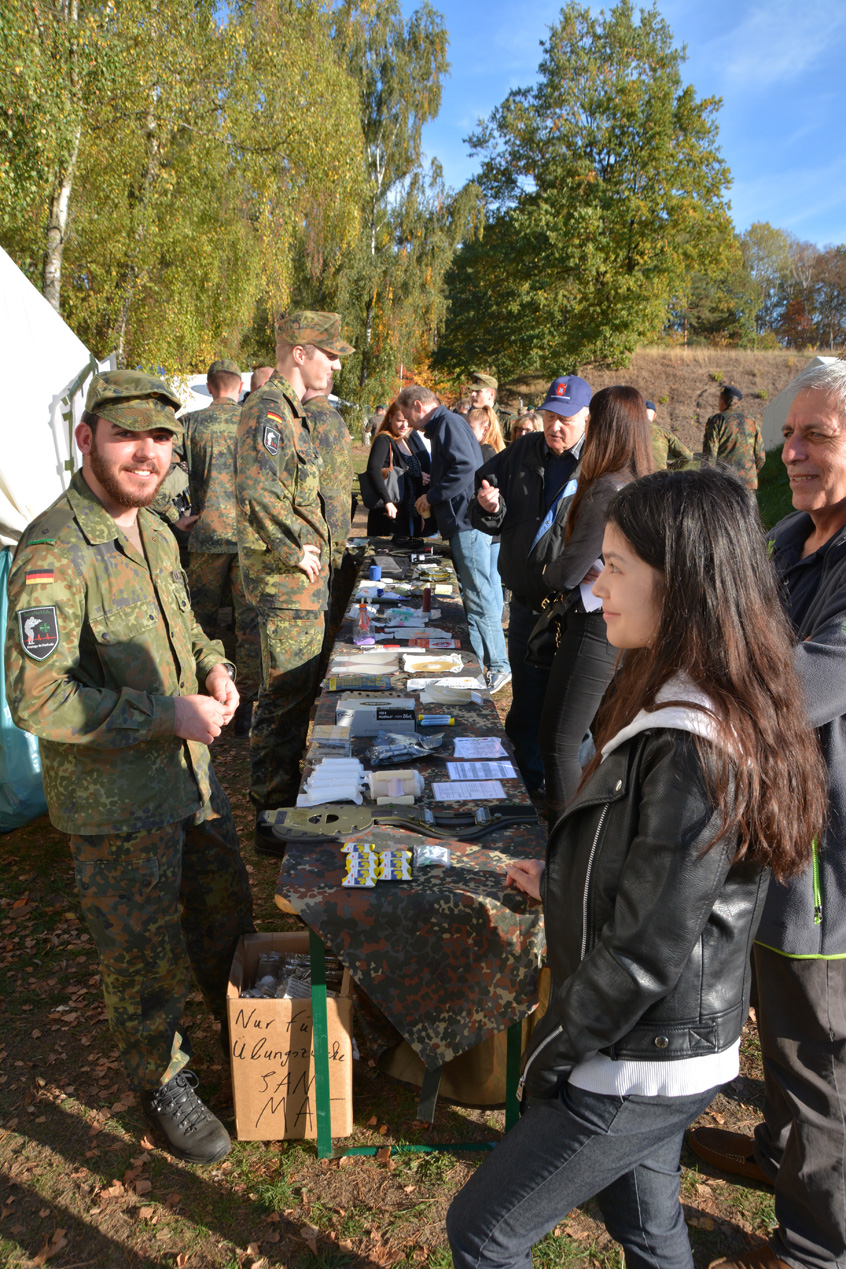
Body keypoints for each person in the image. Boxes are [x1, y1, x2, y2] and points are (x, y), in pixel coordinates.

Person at [446, 465, 826, 1269]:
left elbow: (648, 947)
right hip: (660, 1047)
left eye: (615, 565)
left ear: (679, 581)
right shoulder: (685, 691)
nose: (596, 580)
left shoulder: (695, 738)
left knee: (484, 1230)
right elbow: (647, 874)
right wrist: (556, 879)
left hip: (639, 1055)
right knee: (649, 1228)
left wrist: (552, 1050)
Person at [4, 370, 255, 1164]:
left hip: (191, 781)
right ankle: (162, 1078)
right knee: (141, 956)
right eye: (126, 436)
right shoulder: (54, 550)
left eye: (160, 438)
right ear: (86, 440)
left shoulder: (153, 530)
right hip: (117, 808)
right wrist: (165, 714)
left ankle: (248, 1040)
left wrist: (213, 668)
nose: (146, 453)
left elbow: (184, 630)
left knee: (226, 919)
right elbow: (38, 698)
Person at [691, 359, 846, 1269]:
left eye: (818, 436)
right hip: (773, 843)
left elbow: (790, 685)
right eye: (791, 433)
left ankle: (815, 1250)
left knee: (820, 1064)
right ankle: (782, 1155)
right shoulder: (791, 537)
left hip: (826, 874)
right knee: (787, 1045)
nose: (793, 451)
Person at [235, 311, 353, 846]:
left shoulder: (293, 413)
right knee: (282, 701)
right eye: (328, 354)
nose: (335, 365)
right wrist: (292, 551)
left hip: (301, 584)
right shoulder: (269, 411)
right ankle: (270, 816)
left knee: (299, 695)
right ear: (300, 353)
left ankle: (283, 804)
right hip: (287, 583)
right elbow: (257, 491)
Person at [469, 375, 591, 790]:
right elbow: (485, 499)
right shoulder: (523, 450)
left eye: (565, 419)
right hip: (524, 603)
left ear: (586, 419)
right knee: (525, 701)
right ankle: (524, 786)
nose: (555, 427)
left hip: (573, 608)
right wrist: (489, 505)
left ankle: (567, 795)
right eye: (549, 417)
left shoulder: (597, 465)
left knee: (568, 712)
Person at [538, 386, 654, 822]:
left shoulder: (609, 488)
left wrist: (545, 574)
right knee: (600, 740)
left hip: (596, 628)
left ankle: (566, 852)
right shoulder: (642, 482)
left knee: (560, 742)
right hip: (625, 630)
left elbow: (568, 572)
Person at [396, 384, 511, 693]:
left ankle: (499, 665)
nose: (407, 423)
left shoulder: (447, 423)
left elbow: (465, 468)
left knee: (479, 594)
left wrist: (432, 496)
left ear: (419, 406)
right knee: (474, 598)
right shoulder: (448, 424)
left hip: (466, 523)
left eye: (407, 415)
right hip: (462, 522)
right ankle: (479, 662)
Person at [184, 358, 259, 736]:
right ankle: (245, 707)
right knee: (248, 624)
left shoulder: (192, 423)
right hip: (249, 538)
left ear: (210, 387)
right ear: (240, 385)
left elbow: (166, 470)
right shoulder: (254, 422)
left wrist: (171, 514)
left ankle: (203, 701)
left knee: (200, 621)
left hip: (207, 536)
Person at [301, 384, 356, 649]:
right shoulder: (337, 418)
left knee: (319, 603)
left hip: (318, 525)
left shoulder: (305, 419)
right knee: (334, 600)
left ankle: (322, 658)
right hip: (338, 521)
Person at [365, 401, 431, 540]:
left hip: (410, 513)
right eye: (400, 420)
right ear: (390, 418)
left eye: (407, 421)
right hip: (391, 514)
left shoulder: (405, 441)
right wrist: (387, 501)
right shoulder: (384, 440)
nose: (404, 425)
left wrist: (420, 513)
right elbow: (373, 470)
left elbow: (405, 472)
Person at [702, 385, 766, 490]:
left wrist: (707, 481)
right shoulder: (751, 421)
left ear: (722, 402)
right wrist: (749, 474)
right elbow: (761, 457)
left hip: (725, 482)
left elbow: (710, 456)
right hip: (748, 484)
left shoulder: (716, 420)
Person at [645, 399, 693, 470]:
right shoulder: (664, 433)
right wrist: (671, 467)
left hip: (635, 478)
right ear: (654, 416)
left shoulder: (628, 432)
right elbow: (687, 456)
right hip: (659, 478)